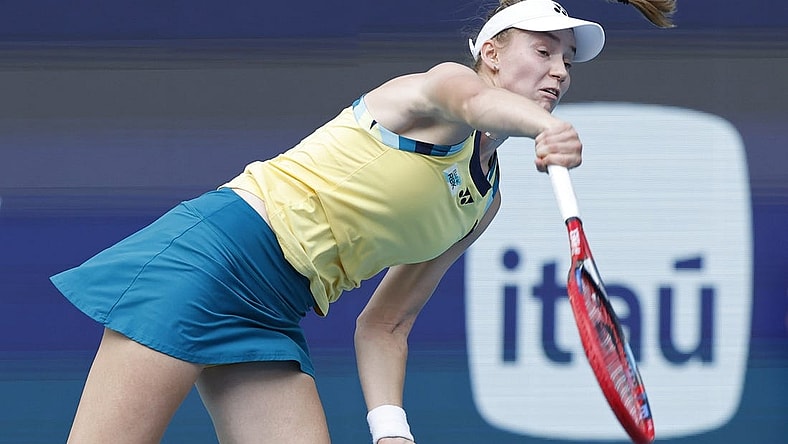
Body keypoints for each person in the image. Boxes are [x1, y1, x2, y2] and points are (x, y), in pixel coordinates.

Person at [49, 0, 671, 442]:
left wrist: (390, 430)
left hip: (271, 311)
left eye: (567, 61)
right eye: (543, 51)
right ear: (490, 53)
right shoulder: (444, 89)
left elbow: (387, 324)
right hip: (209, 262)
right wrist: (547, 129)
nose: (560, 71)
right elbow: (476, 102)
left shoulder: (483, 202)